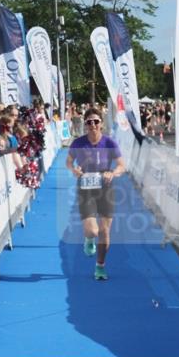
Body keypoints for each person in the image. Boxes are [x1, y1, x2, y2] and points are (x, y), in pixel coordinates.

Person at [66, 108, 126, 281]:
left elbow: (122, 165)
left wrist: (113, 172)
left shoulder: (110, 143)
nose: (93, 125)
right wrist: (74, 169)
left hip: (106, 189)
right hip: (86, 188)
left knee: (105, 231)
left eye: (96, 121)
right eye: (89, 122)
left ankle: (100, 266)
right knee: (93, 230)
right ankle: (89, 239)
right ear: (85, 125)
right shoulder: (78, 143)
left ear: (102, 123)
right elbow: (69, 161)